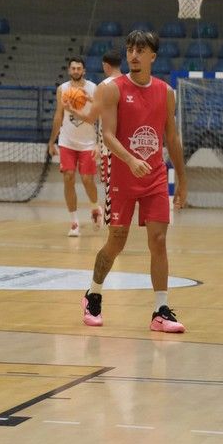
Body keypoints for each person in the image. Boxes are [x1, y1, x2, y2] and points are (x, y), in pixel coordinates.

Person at [81, 31, 188, 333]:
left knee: (159, 240)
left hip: (154, 175)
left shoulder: (166, 92)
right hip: (122, 175)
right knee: (117, 241)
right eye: (130, 50)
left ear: (153, 55)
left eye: (141, 50)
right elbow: (108, 135)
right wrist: (130, 160)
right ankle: (93, 294)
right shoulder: (110, 88)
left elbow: (172, 137)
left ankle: (160, 310)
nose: (134, 55)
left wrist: (182, 178)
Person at [47, 57, 102, 236]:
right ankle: (74, 222)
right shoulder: (62, 89)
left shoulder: (94, 88)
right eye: (73, 68)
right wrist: (52, 141)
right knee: (68, 178)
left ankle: (95, 208)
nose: (76, 71)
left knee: (87, 180)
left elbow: (101, 115)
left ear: (84, 71)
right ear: (69, 70)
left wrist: (99, 144)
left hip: (88, 142)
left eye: (79, 68)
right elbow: (58, 115)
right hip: (67, 141)